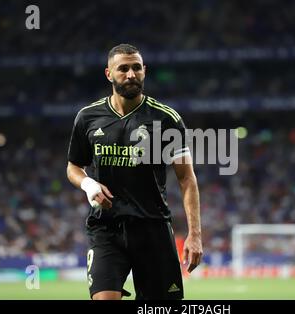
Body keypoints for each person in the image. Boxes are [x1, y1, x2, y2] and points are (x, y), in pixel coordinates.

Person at [66, 43, 202, 300]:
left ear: (144, 71)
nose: (131, 74)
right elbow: (73, 167)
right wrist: (89, 185)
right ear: (109, 74)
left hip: (153, 228)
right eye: (123, 69)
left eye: (136, 68)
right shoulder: (87, 117)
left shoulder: (166, 119)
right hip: (106, 228)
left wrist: (195, 235)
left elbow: (186, 178)